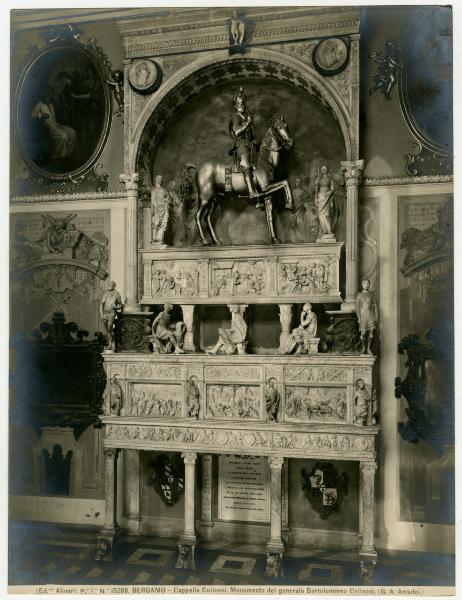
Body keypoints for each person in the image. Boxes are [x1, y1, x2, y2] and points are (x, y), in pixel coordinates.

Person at [229, 87, 259, 199]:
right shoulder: (235, 117)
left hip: (248, 147)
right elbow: (237, 133)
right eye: (239, 105)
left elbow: (250, 136)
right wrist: (247, 123)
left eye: (243, 104)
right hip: (240, 145)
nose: (242, 106)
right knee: (246, 166)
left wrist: (254, 140)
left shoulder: (245, 118)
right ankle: (252, 192)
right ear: (235, 106)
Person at [355, 279, 379, 355]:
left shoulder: (371, 295)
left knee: (371, 334)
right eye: (365, 283)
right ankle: (363, 348)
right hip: (363, 316)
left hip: (370, 316)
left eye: (368, 283)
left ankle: (368, 349)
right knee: (363, 334)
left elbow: (375, 306)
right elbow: (357, 308)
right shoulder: (359, 295)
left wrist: (376, 316)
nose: (366, 285)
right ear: (362, 284)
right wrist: (359, 318)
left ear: (369, 285)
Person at [100, 281, 123, 352]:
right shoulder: (106, 293)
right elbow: (101, 305)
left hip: (112, 313)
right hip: (105, 313)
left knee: (110, 327)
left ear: (114, 286)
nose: (109, 285)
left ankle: (113, 342)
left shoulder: (117, 294)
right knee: (107, 329)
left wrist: (116, 308)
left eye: (110, 284)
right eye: (109, 284)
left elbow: (120, 305)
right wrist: (101, 314)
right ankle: (111, 343)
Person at [314, 165, 336, 240]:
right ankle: (324, 232)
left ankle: (329, 231)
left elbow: (332, 189)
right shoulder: (319, 179)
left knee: (327, 214)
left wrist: (329, 194)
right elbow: (316, 190)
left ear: (327, 170)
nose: (323, 170)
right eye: (322, 169)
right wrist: (315, 199)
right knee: (320, 215)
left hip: (327, 197)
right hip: (320, 197)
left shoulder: (330, 179)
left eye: (325, 169)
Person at [151, 175, 170, 244]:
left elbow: (166, 198)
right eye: (159, 179)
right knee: (156, 223)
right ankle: (154, 239)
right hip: (156, 209)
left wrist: (166, 200)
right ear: (156, 180)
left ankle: (160, 238)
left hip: (163, 208)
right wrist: (153, 209)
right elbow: (153, 200)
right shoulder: (153, 190)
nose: (160, 180)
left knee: (163, 223)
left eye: (161, 179)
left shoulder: (163, 190)